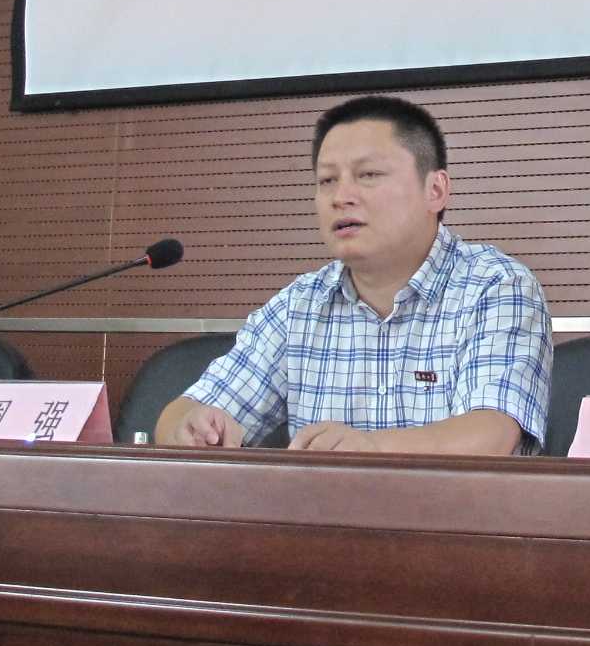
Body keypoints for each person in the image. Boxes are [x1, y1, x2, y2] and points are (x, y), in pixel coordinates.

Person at [157, 95, 551, 453]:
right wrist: (191, 426)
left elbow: (491, 434)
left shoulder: (496, 286)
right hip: (315, 513)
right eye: (327, 180)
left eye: (368, 175)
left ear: (435, 190)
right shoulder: (300, 305)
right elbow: (183, 412)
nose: (340, 196)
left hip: (456, 513)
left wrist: (369, 450)